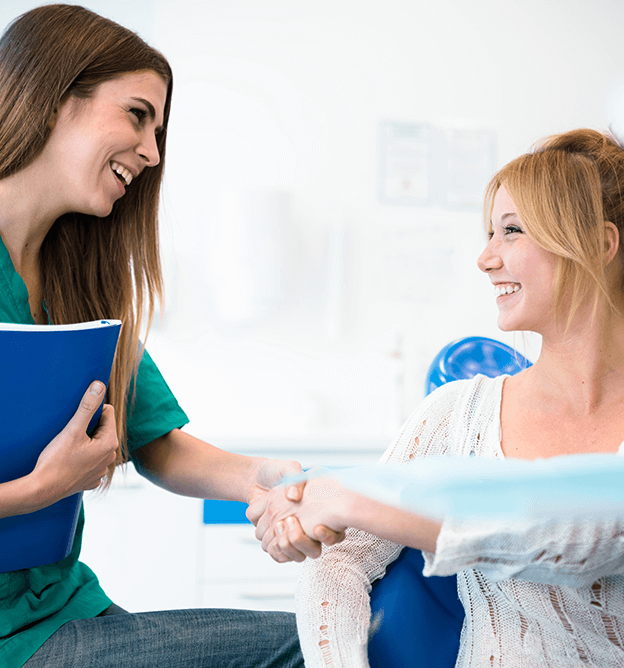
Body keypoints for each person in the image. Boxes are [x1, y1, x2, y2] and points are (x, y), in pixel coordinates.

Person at [0, 5, 323, 667]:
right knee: (316, 644)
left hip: (63, 607)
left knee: (334, 628)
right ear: (53, 95)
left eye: (159, 130)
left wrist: (257, 480)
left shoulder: (76, 282)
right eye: (137, 115)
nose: (151, 152)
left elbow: (158, 443)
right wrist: (39, 490)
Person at [253, 128, 624, 666]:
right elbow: (339, 559)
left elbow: (582, 531)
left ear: (598, 244)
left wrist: (353, 497)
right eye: (490, 232)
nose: (486, 258)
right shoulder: (458, 415)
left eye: (512, 231)